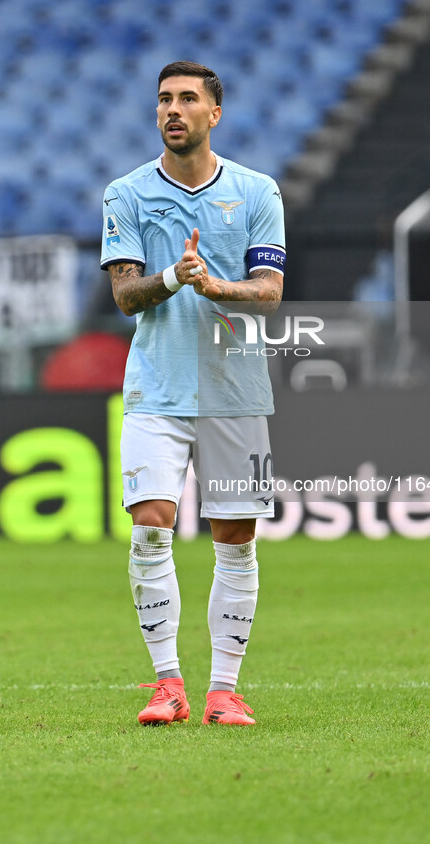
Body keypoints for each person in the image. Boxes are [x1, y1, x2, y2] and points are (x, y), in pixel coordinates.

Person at [100, 61, 286, 726]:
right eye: (163, 100)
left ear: (214, 114)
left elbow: (268, 294)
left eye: (186, 100)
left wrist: (217, 287)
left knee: (234, 537)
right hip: (157, 386)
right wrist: (174, 279)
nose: (172, 110)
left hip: (237, 389)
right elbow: (124, 296)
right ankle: (167, 686)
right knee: (150, 524)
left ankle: (223, 690)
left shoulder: (257, 190)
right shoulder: (125, 193)